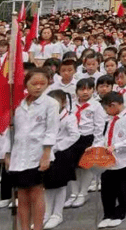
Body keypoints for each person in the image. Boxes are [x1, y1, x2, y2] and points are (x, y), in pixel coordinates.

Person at [5, 69, 58, 230]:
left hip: (38, 153)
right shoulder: (17, 104)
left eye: (42, 84)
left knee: (36, 192)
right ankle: (25, 227)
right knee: (22, 195)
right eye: (34, 83)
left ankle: (38, 227)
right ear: (25, 84)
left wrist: (46, 154)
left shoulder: (51, 103)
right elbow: (8, 130)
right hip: (18, 154)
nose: (38, 87)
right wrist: (7, 154)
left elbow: (51, 130)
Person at [95, 91, 126, 229]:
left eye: (106, 108)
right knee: (107, 190)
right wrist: (96, 147)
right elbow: (106, 138)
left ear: (113, 105)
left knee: (122, 190)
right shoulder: (112, 119)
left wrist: (116, 146)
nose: (106, 112)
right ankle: (107, 214)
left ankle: (120, 214)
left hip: (124, 161)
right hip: (109, 161)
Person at [42, 89, 80, 229]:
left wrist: (57, 146)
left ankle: (57, 214)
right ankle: (46, 213)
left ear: (63, 103)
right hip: (46, 153)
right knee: (47, 185)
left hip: (61, 154)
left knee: (60, 184)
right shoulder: (46, 115)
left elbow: (74, 135)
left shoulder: (69, 116)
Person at [69, 78, 99, 208]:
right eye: (82, 89)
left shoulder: (96, 105)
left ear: (93, 90)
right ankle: (73, 193)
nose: (85, 92)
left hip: (88, 138)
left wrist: (96, 143)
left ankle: (82, 193)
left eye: (88, 89)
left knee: (86, 167)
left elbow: (99, 125)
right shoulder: (71, 104)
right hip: (72, 138)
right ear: (76, 91)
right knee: (73, 167)